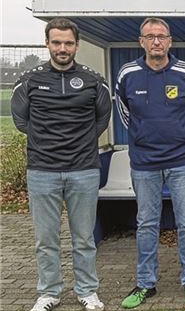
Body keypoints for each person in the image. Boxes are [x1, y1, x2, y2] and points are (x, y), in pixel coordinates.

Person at [11, 18, 111, 311]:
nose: (62, 48)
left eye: (68, 43)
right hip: (42, 170)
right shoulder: (29, 80)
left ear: (77, 45)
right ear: (47, 44)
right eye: (57, 42)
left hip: (84, 169)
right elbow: (20, 119)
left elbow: (102, 118)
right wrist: (46, 140)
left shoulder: (94, 81)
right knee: (46, 239)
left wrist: (81, 141)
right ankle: (49, 293)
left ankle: (87, 291)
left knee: (83, 238)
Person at [115, 17, 185, 308]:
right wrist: (144, 138)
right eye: (150, 36)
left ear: (170, 41)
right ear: (141, 41)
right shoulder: (127, 74)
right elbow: (125, 114)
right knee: (146, 224)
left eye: (161, 36)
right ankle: (145, 284)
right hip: (144, 164)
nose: (156, 41)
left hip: (183, 162)